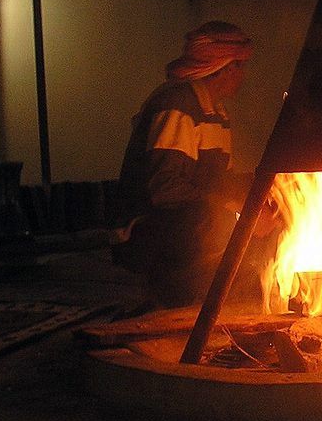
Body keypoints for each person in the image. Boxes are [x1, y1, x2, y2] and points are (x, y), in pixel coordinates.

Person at [113, 20, 272, 308]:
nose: (243, 75)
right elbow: (164, 188)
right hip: (150, 226)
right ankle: (178, 298)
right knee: (211, 219)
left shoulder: (215, 111)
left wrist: (265, 194)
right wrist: (233, 207)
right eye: (240, 67)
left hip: (193, 216)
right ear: (225, 68)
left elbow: (224, 180)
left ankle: (228, 295)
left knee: (267, 206)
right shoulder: (178, 105)